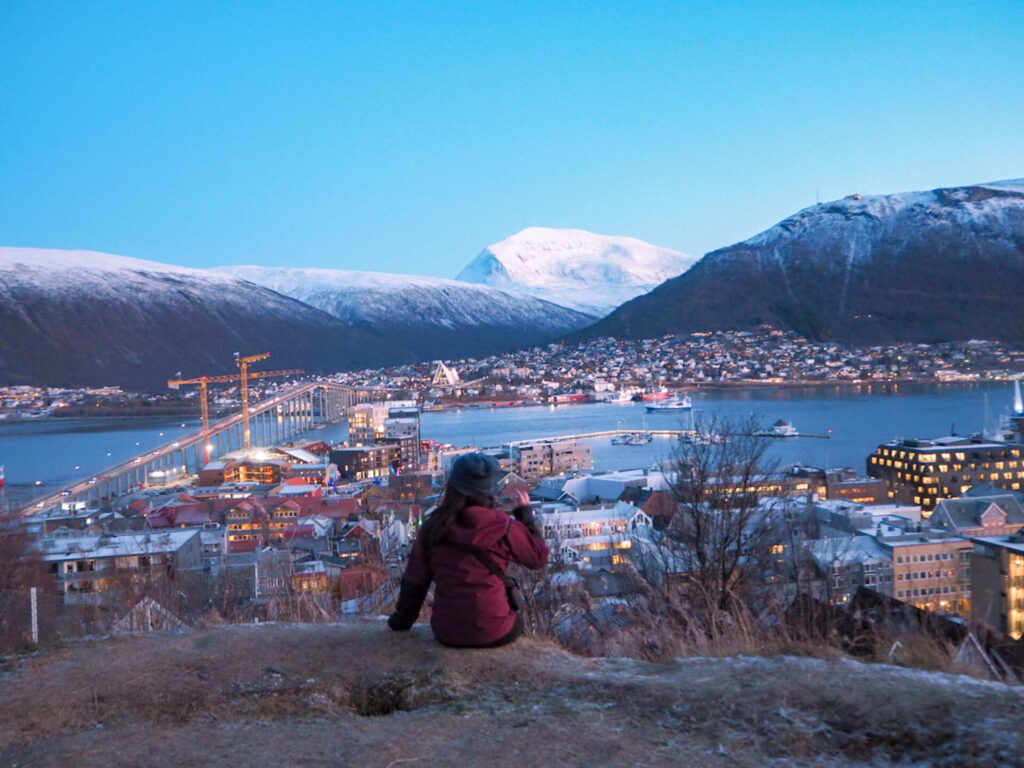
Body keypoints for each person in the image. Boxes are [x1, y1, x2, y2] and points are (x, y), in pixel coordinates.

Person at [387, 452, 548, 647]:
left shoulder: (434, 527)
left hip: (448, 632)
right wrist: (524, 514)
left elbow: (415, 580)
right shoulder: (502, 526)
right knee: (516, 621)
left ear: (452, 486)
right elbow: (538, 557)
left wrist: (401, 622)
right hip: (494, 629)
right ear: (490, 490)